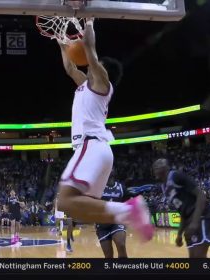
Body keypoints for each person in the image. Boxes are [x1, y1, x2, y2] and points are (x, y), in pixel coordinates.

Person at [56, 18, 153, 241]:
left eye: (94, 65)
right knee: (79, 208)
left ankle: (129, 211)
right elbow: (70, 67)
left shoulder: (102, 84)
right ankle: (129, 212)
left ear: (102, 71)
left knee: (64, 201)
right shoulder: (84, 85)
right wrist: (61, 42)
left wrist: (89, 21)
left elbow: (90, 50)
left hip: (91, 145)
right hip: (98, 150)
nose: (89, 65)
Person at [153, 159, 210, 258]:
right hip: (190, 220)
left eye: (160, 163)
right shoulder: (164, 188)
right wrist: (179, 234)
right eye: (155, 165)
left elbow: (201, 195)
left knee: (199, 257)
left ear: (167, 167)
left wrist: (194, 222)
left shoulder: (175, 176)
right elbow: (182, 213)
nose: (157, 166)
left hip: (202, 215)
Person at [96, 176, 134, 258]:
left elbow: (128, 202)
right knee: (108, 255)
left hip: (117, 221)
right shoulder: (98, 188)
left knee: (121, 245)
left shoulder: (121, 187)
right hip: (102, 225)